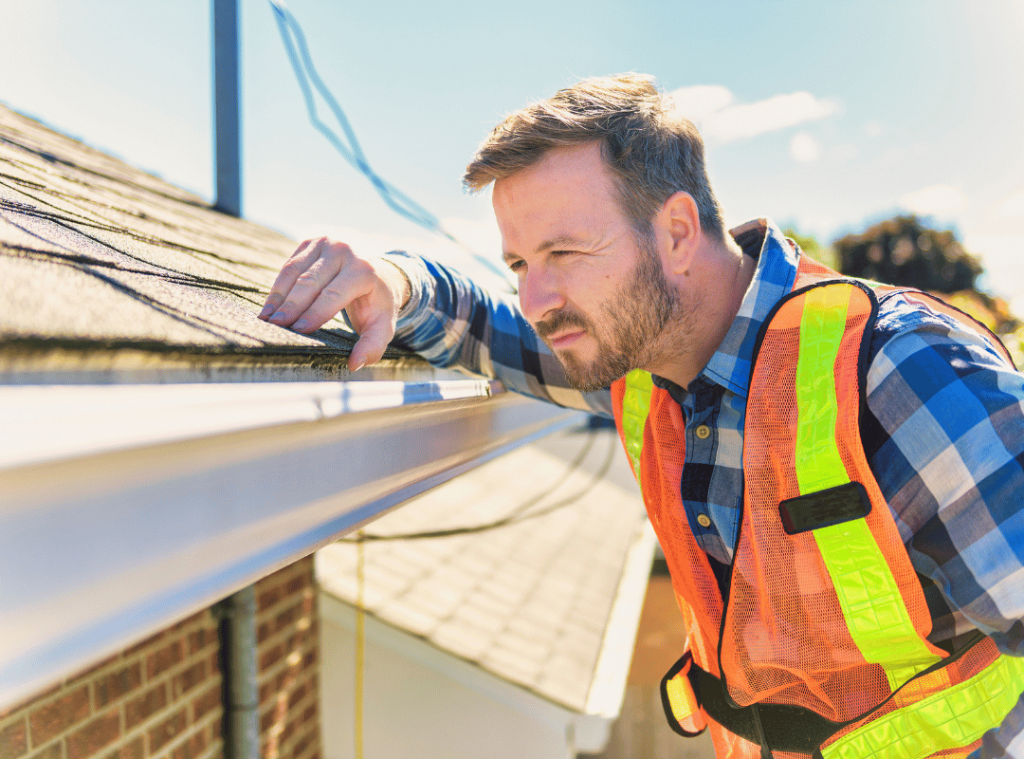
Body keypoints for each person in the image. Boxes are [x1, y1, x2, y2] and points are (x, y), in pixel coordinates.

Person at [259, 74, 1024, 758]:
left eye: (565, 251)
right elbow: (488, 325)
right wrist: (392, 279)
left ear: (678, 232)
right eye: (522, 263)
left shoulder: (897, 369)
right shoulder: (637, 364)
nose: (536, 298)